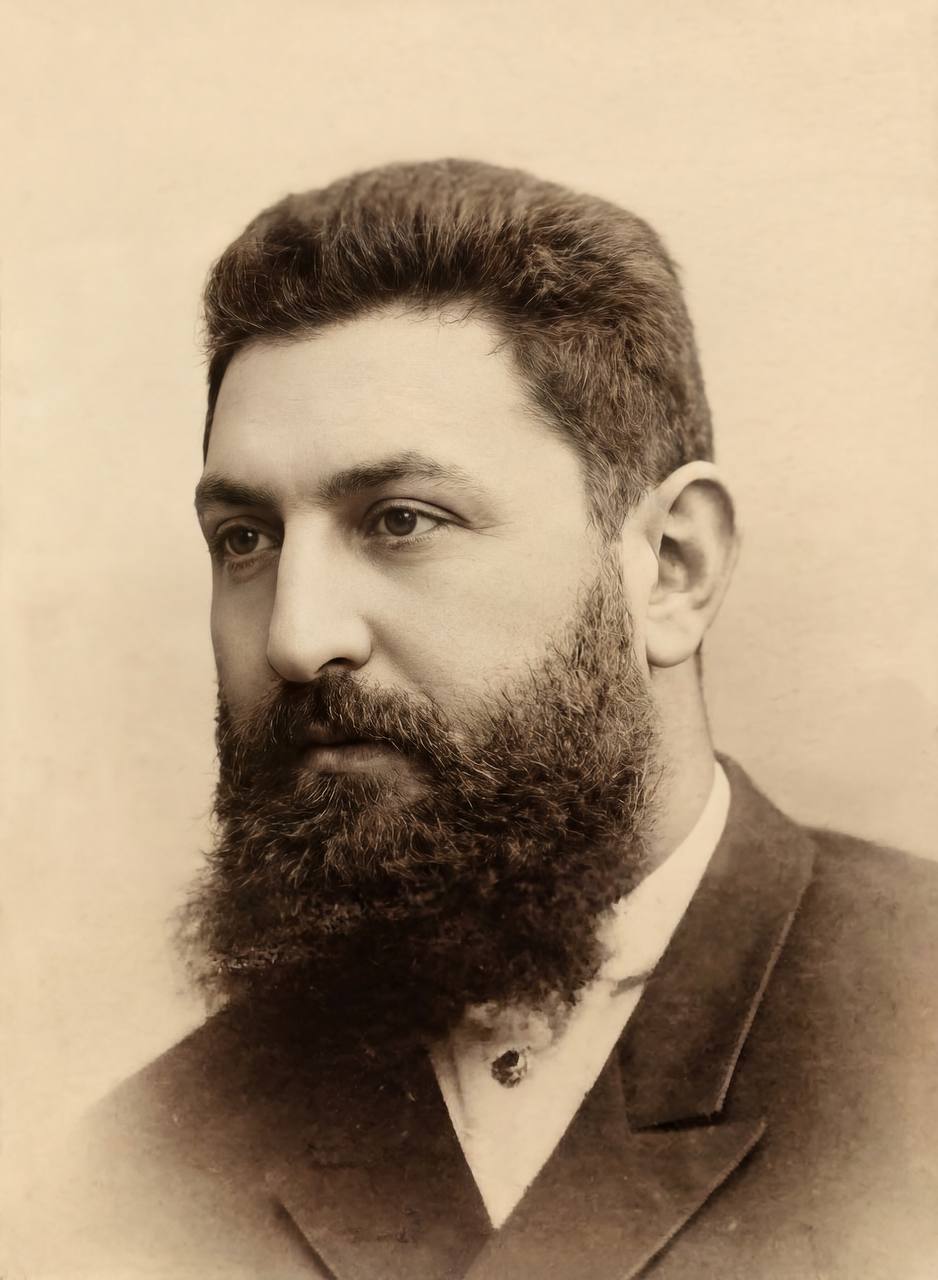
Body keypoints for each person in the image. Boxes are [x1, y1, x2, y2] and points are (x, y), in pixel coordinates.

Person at [23, 161, 938, 1279]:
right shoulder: (129, 1177)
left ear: (671, 567)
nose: (297, 639)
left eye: (401, 520)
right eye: (246, 540)